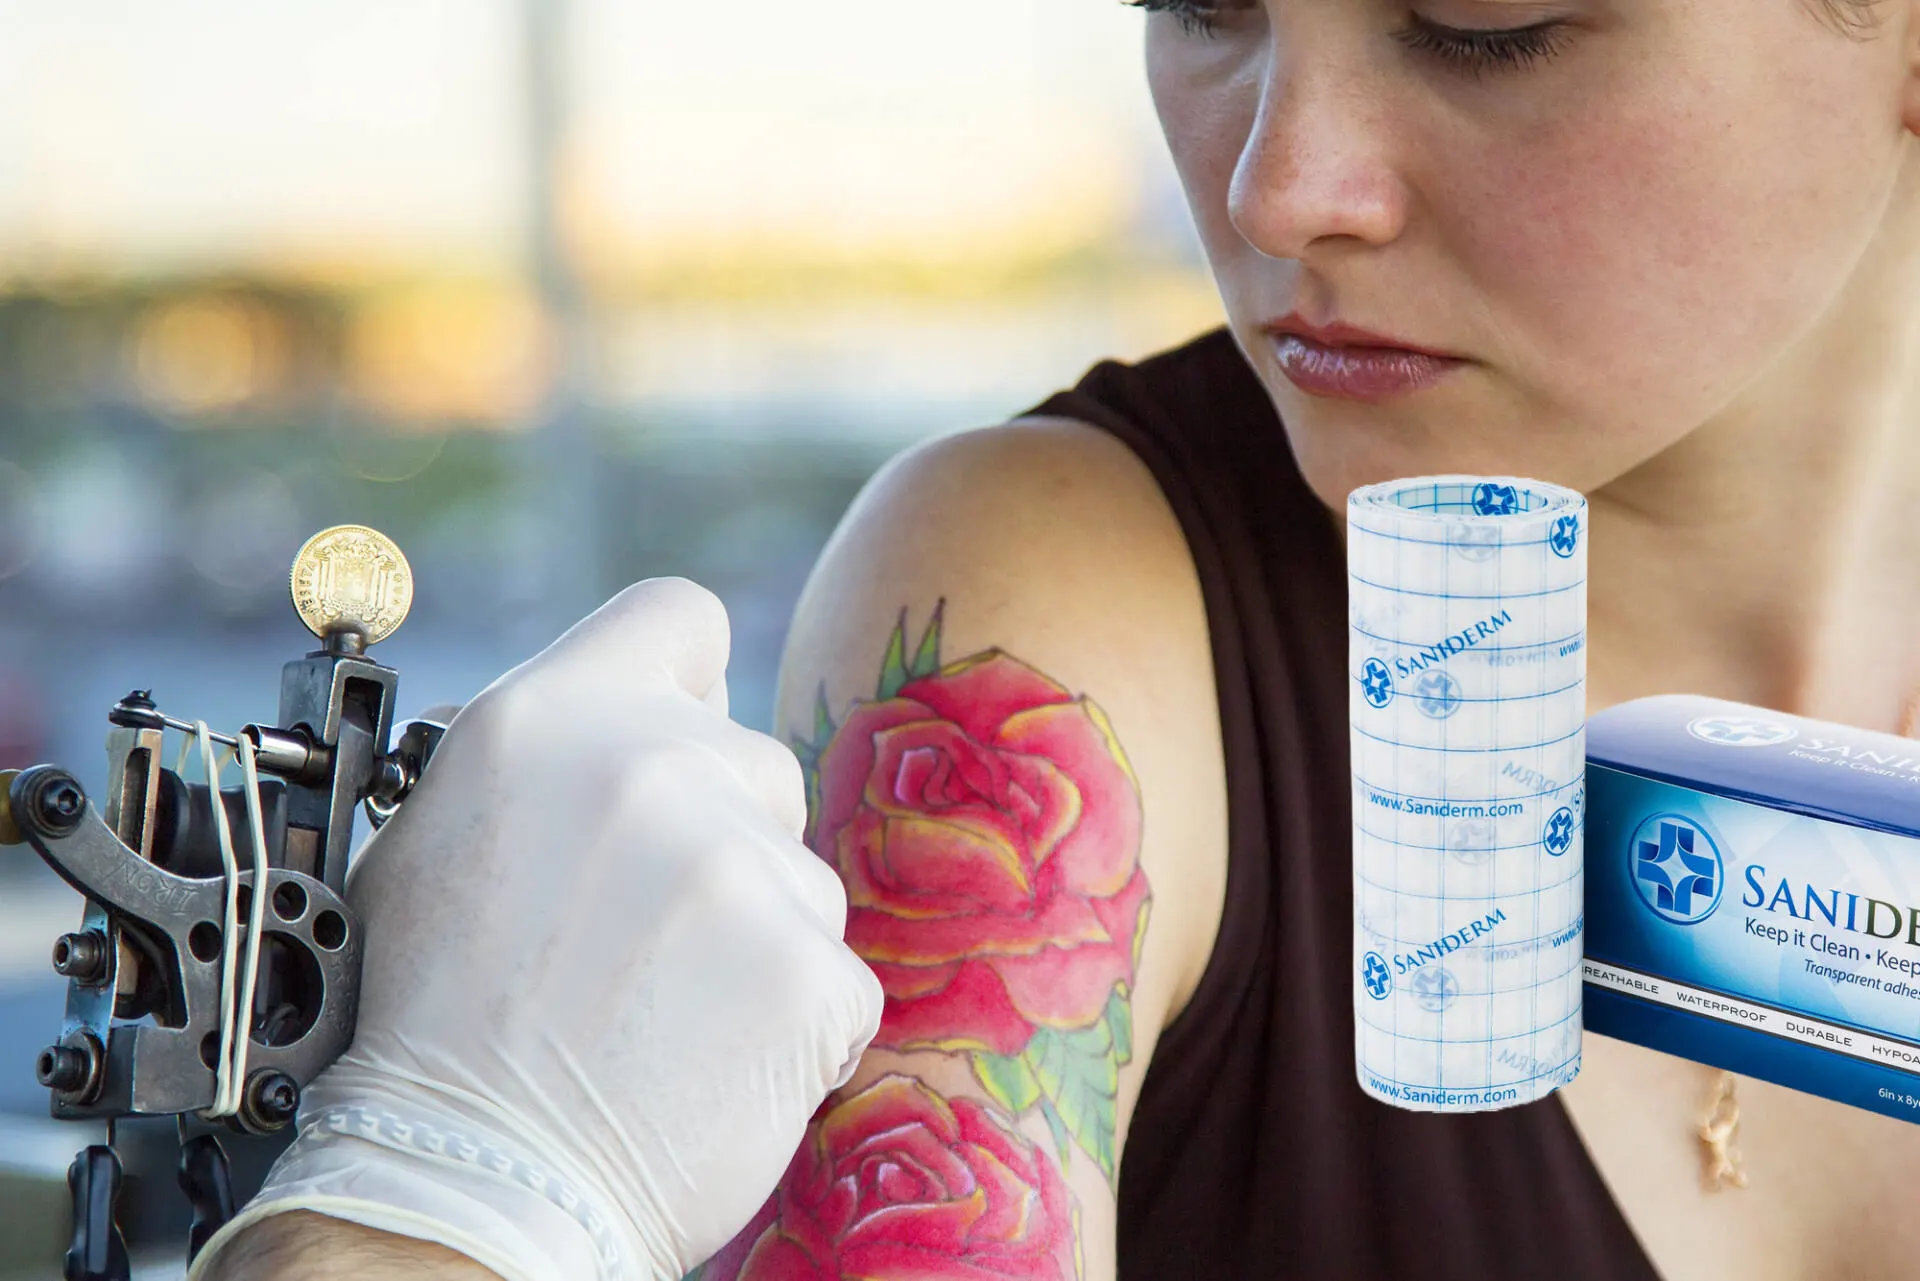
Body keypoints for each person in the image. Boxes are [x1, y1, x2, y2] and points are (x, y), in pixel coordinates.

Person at [206, 0, 1920, 1276]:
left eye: (1483, 22)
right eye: (1199, 3)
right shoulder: (1061, 618)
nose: (1276, 189)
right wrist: (447, 1200)